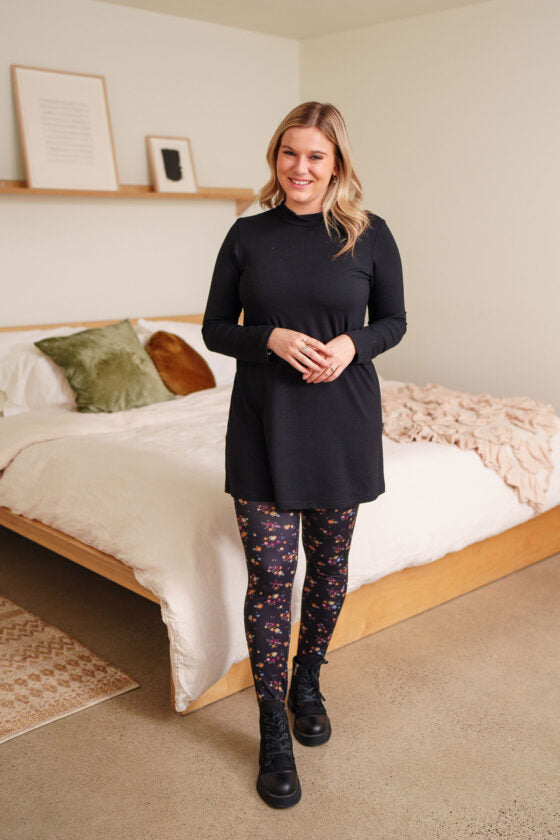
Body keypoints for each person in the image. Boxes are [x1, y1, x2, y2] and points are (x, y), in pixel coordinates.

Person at [202, 101, 407, 809]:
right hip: (263, 423)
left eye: (316, 155)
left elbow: (394, 320)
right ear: (276, 158)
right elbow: (213, 329)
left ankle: (308, 681)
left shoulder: (369, 235)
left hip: (341, 421)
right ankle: (272, 731)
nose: (300, 167)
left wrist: (354, 344)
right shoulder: (246, 235)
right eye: (290, 153)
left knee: (329, 567)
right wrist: (269, 338)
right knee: (270, 577)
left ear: (336, 163)